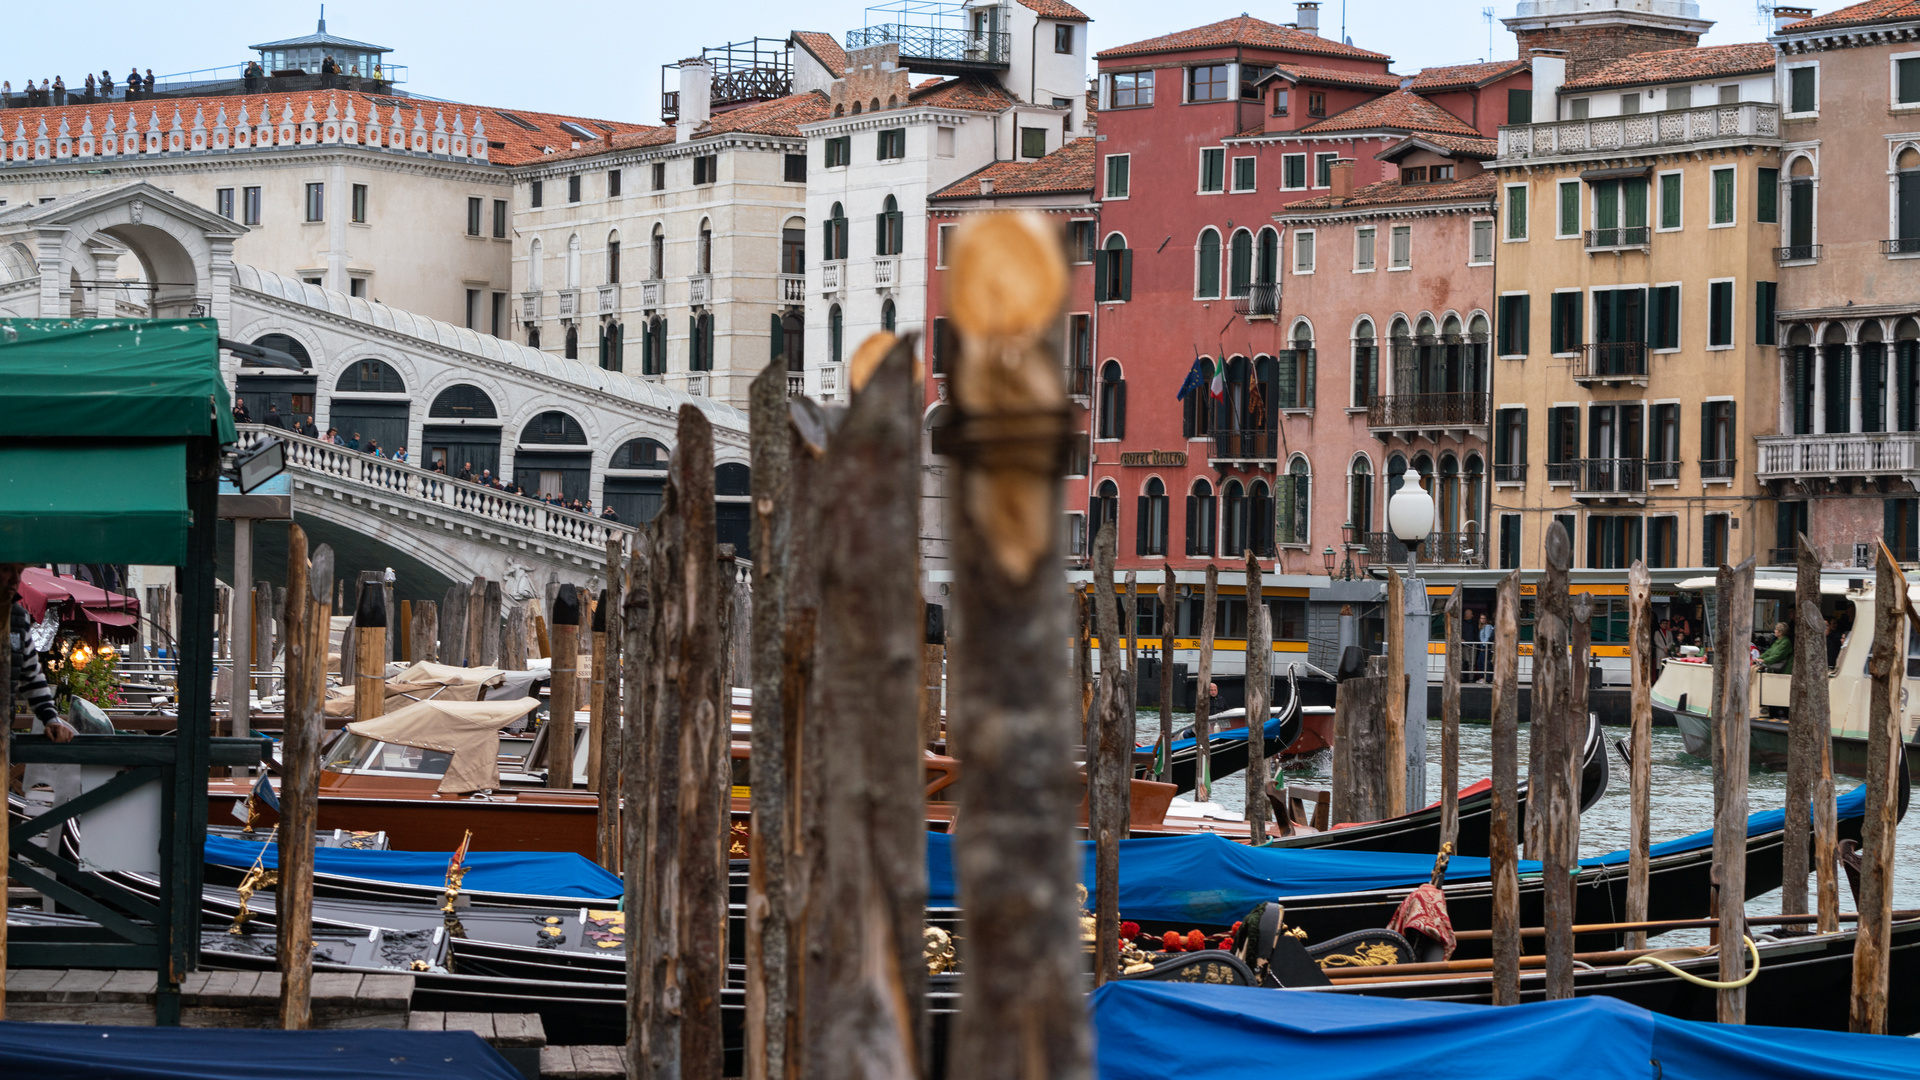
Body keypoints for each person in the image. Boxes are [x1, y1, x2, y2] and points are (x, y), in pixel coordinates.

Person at [2, 564, 78, 743]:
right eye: (6, 569)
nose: (15, 579)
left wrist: (51, 719)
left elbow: (31, 676)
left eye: (19, 572)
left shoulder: (18, 619)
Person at [1476, 613, 1493, 682]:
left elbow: (1487, 636)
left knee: (1483, 662)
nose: (1482, 620)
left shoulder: (1488, 626)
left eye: (1484, 618)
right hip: (1482, 645)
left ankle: (1485, 678)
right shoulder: (1482, 627)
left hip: (1485, 646)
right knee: (1480, 662)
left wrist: (1484, 645)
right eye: (1481, 618)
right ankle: (1484, 677)